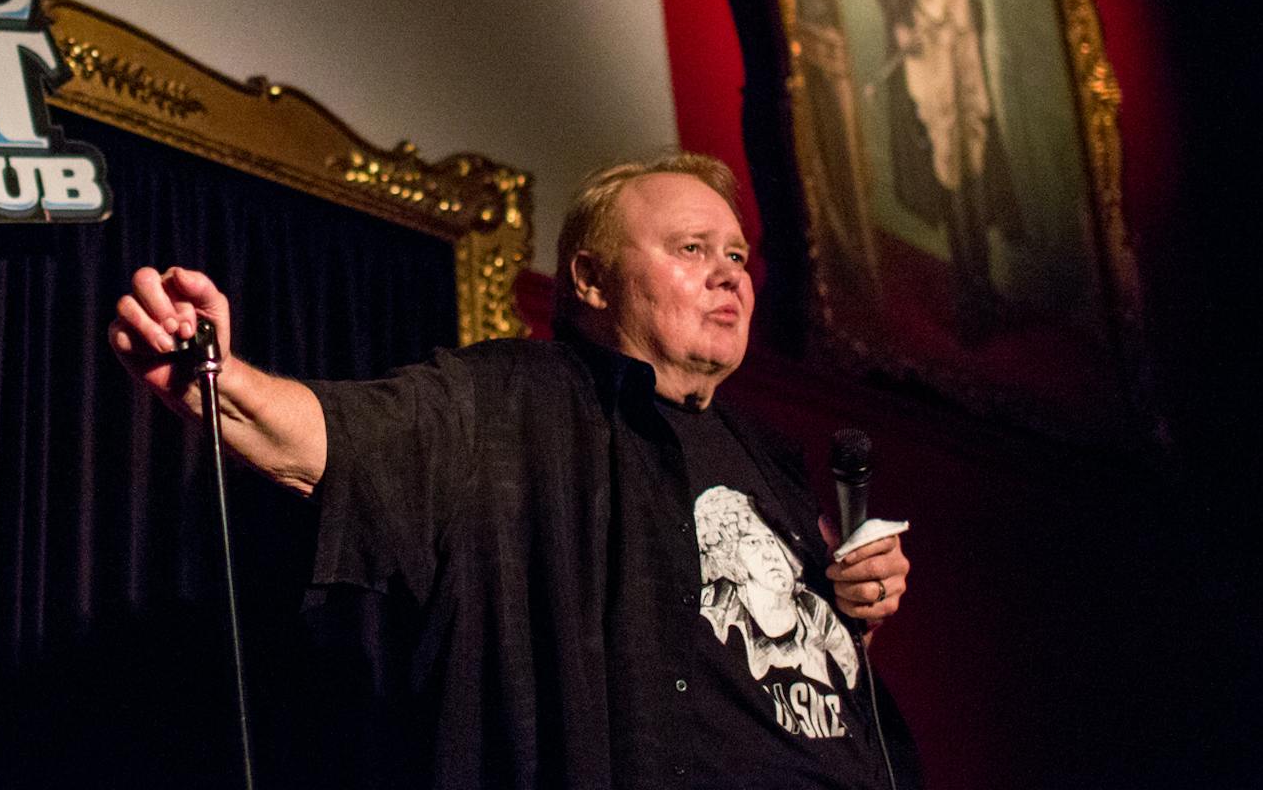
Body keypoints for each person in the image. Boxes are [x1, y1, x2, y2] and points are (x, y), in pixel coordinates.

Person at [109, 153, 918, 788]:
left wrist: (856, 604)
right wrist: (216, 375)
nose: (729, 272)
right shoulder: (506, 402)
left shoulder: (768, 461)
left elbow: (798, 668)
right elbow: (337, 439)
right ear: (591, 279)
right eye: (692, 249)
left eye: (737, 253)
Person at [858, 0, 1022, 340]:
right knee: (945, 141)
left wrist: (971, 22)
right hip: (924, 37)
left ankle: (984, 282)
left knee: (975, 134)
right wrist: (901, 17)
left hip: (961, 36)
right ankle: (969, 293)